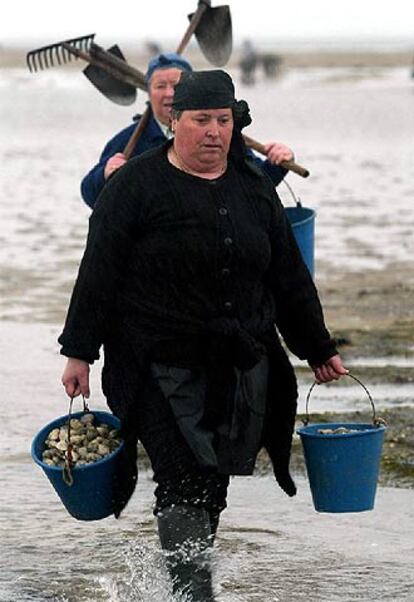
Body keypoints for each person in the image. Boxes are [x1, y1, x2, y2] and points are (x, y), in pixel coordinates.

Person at [59, 70, 348, 601]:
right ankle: (194, 593)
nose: (214, 132)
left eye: (224, 120)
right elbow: (98, 271)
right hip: (153, 360)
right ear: (174, 122)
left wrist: (318, 347)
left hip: (235, 364)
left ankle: (178, 582)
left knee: (211, 481)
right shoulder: (134, 186)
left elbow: (286, 275)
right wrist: (79, 350)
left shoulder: (253, 189)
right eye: (201, 121)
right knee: (185, 475)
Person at [80, 53, 296, 209]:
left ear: (193, 91)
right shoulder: (127, 142)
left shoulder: (220, 136)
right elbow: (92, 197)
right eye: (159, 86)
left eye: (176, 85)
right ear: (149, 92)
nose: (168, 94)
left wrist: (277, 163)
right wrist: (105, 175)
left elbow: (256, 186)